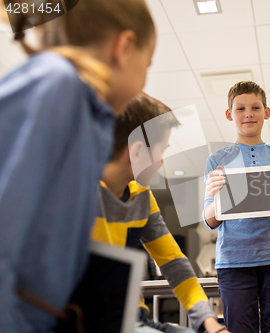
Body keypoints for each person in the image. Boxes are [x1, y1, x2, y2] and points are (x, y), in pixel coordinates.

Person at [0, 0, 156, 332]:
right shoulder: (57, 85)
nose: (144, 80)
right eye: (148, 63)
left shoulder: (91, 117)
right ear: (124, 47)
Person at [91, 92, 228, 333]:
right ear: (135, 152)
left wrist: (212, 326)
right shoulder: (81, 196)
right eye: (160, 151)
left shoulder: (142, 197)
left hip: (137, 317)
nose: (161, 163)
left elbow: (175, 265)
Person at [203, 81, 270, 333]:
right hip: (233, 262)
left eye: (255, 107)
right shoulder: (217, 160)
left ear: (266, 112)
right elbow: (209, 220)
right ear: (229, 115)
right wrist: (213, 194)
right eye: (240, 109)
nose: (248, 113)